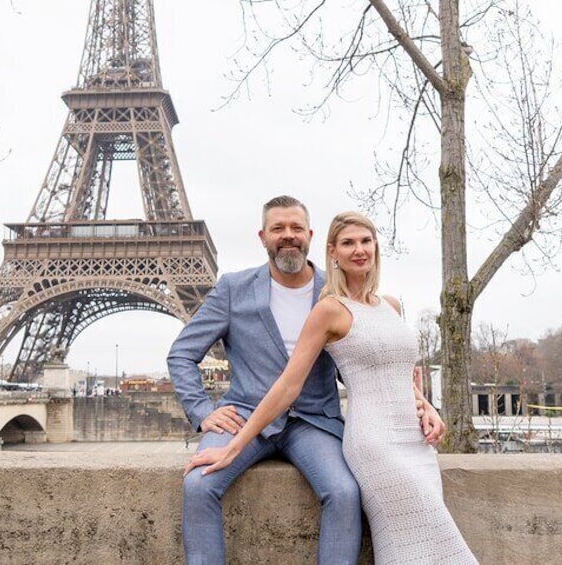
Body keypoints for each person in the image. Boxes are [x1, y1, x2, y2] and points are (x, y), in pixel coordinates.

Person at [185, 211, 477, 564]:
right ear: (263, 236)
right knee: (199, 483)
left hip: (349, 428)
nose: (359, 250)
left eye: (366, 241)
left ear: (309, 235)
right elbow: (286, 383)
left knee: (359, 500)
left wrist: (426, 406)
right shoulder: (314, 303)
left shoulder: (385, 304)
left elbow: (384, 368)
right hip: (261, 418)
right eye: (279, 227)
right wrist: (209, 420)